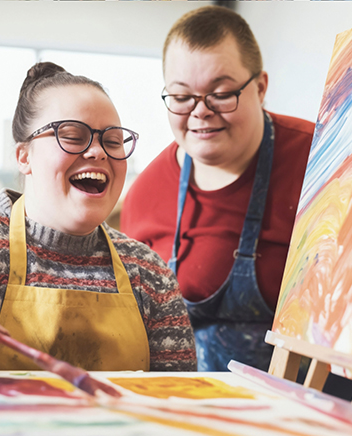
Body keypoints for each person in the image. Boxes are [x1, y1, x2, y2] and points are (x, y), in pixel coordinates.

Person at [0, 62, 197, 373]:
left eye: (113, 141)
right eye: (73, 136)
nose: (98, 152)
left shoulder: (147, 271)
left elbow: (182, 401)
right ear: (24, 156)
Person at [121, 6, 315, 372]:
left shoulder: (322, 159)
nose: (200, 111)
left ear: (260, 88)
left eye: (221, 92)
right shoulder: (145, 194)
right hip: (191, 409)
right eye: (181, 97)